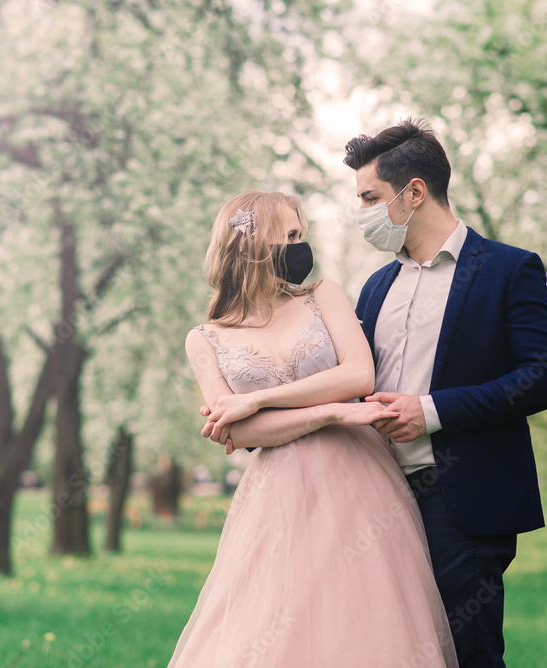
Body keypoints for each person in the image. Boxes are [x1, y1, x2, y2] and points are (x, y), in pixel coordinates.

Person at [169, 190, 459, 667]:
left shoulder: (324, 296)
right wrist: (330, 413)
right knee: (274, 625)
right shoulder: (204, 339)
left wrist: (259, 399)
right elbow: (239, 433)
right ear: (251, 243)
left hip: (359, 480)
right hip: (276, 495)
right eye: (289, 236)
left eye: (300, 234)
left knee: (365, 621)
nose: (299, 247)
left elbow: (358, 375)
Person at [345, 118, 547, 668]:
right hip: (376, 499)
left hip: (460, 501)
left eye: (370, 197)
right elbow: (352, 384)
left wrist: (431, 412)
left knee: (465, 656)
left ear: (414, 192)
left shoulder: (508, 270)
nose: (361, 213)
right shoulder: (376, 286)